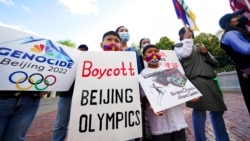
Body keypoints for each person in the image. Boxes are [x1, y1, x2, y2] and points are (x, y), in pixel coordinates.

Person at [172, 27, 229, 141]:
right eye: (187, 31)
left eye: (190, 32)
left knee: (217, 110)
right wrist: (187, 39)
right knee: (199, 111)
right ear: (182, 35)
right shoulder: (178, 47)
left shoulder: (198, 47)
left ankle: (222, 138)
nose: (190, 33)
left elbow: (215, 63)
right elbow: (185, 54)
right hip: (195, 81)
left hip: (210, 80)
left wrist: (206, 52)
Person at [140, 44, 187, 141]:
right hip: (160, 123)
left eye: (156, 51)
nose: (153, 53)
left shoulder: (171, 69)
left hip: (177, 119)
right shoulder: (143, 75)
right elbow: (143, 95)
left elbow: (183, 87)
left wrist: (191, 95)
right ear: (144, 58)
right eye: (150, 52)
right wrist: (152, 103)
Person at [53, 44, 88, 141]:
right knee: (61, 124)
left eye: (84, 52)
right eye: (80, 51)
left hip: (82, 97)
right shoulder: (68, 62)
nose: (81, 53)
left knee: (80, 124)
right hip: (66, 96)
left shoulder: (89, 64)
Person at [219, 8, 250, 114]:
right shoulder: (231, 35)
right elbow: (246, 49)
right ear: (230, 22)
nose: (240, 17)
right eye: (236, 16)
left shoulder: (237, 32)